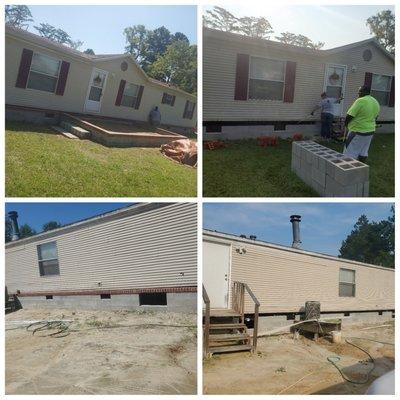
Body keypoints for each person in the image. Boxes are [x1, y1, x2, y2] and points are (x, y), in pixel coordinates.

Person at [343, 85, 380, 163]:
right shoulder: (375, 101)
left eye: (359, 91)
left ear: (364, 92)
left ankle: (348, 171)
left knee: (349, 152)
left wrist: (345, 125)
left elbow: (349, 115)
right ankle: (362, 169)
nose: (358, 93)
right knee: (363, 151)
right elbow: (376, 117)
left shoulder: (360, 100)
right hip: (370, 131)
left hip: (357, 131)